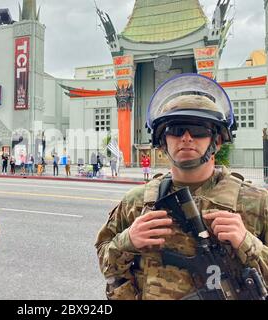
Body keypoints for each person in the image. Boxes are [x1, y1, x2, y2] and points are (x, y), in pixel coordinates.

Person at [95, 73, 268, 300]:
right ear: (162, 141)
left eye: (198, 129)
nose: (186, 138)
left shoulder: (256, 202)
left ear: (216, 140)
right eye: (175, 130)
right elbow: (107, 266)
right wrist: (128, 241)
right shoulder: (136, 202)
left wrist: (246, 242)